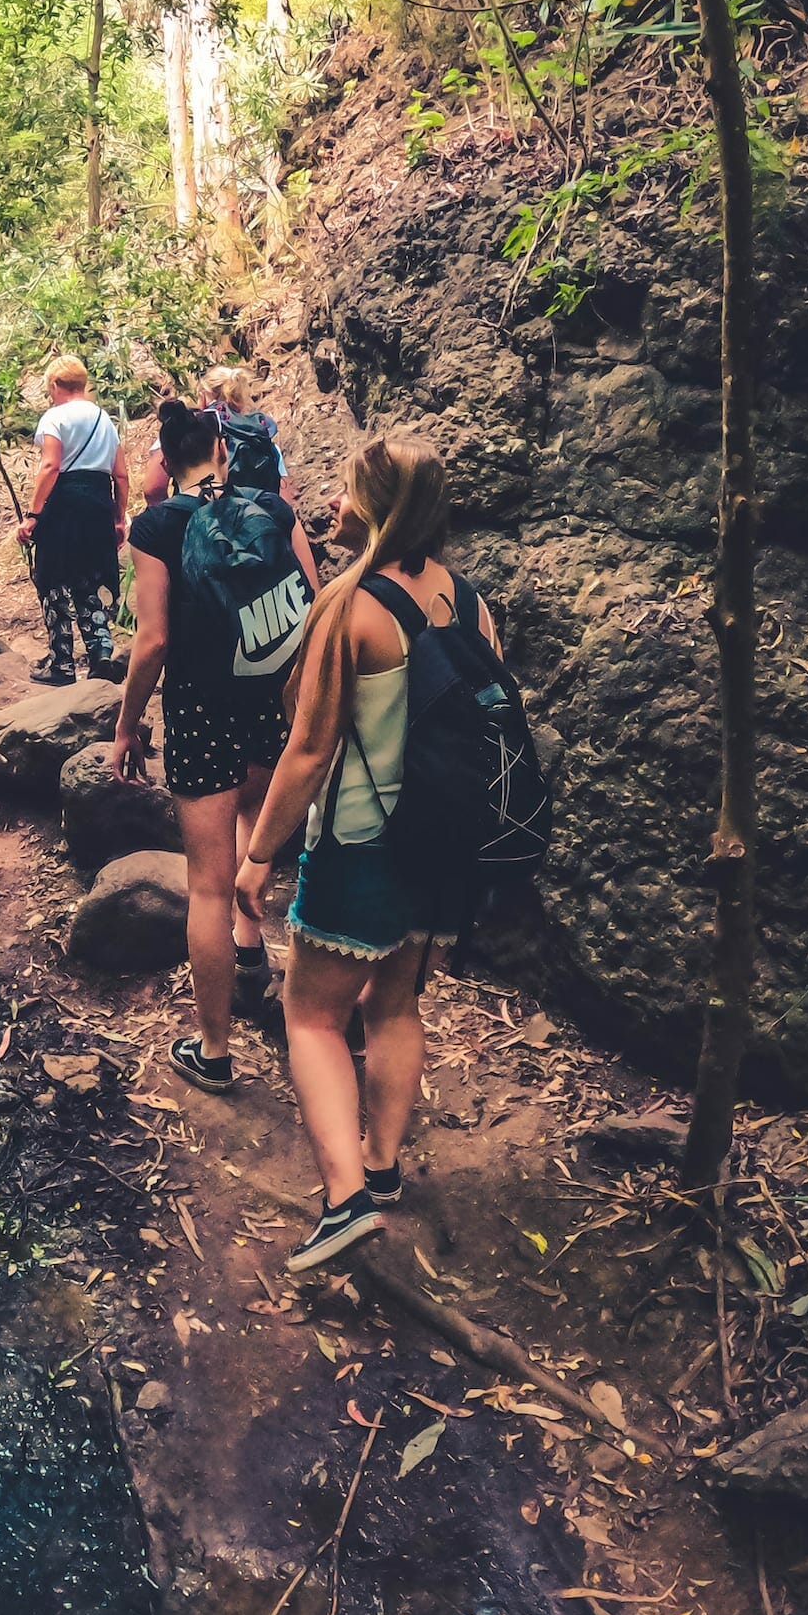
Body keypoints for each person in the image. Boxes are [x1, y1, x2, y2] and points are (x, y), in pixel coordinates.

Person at [243, 433, 500, 1273]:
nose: (334, 507)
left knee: (312, 1016)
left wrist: (257, 856)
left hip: (363, 843)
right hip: (445, 847)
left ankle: (345, 1198)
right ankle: (382, 1168)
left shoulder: (353, 607)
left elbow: (309, 750)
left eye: (348, 494)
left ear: (380, 509)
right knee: (395, 1006)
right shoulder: (468, 601)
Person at [113, 400, 319, 1095]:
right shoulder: (274, 511)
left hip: (200, 711)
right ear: (223, 454)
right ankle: (252, 949)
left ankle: (215, 1050)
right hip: (269, 704)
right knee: (252, 836)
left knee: (206, 882)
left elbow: (155, 640)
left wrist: (127, 722)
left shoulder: (156, 526)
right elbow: (314, 606)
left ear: (167, 465)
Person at [17, 355, 128, 686]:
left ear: (54, 385)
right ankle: (101, 654)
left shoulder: (55, 417)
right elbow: (120, 474)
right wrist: (118, 518)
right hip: (98, 502)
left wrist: (33, 515)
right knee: (89, 578)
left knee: (52, 578)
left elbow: (50, 466)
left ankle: (61, 662)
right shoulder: (104, 420)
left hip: (65, 502)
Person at [141, 363, 291, 507]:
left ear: (203, 397)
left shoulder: (181, 431)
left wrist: (171, 518)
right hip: (258, 528)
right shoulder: (260, 435)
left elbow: (153, 489)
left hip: (203, 527)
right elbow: (284, 501)